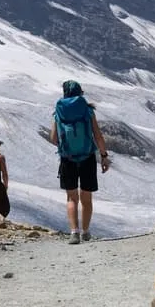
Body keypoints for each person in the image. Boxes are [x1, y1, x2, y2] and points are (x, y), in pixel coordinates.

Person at [49, 80, 110, 244]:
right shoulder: (88, 110)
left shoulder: (59, 110)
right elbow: (98, 136)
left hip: (67, 158)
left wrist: (65, 145)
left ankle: (74, 232)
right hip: (87, 157)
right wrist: (104, 155)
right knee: (86, 198)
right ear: (80, 92)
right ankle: (86, 232)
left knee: (71, 198)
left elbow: (53, 138)